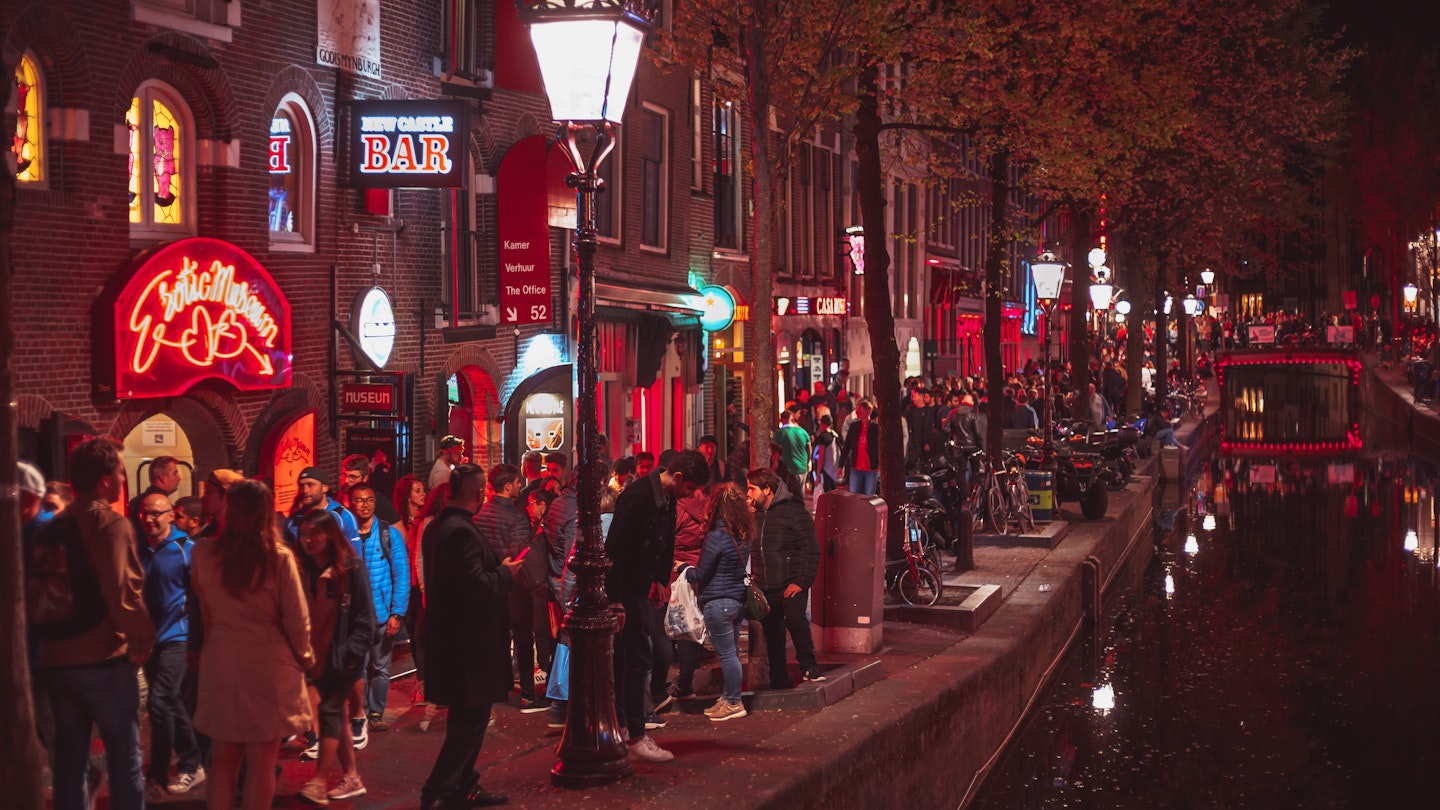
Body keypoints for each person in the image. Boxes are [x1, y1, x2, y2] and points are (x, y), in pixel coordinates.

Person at [36, 438, 155, 810]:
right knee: (124, 758)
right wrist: (142, 639)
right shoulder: (110, 525)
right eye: (120, 471)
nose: (123, 477)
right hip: (103, 657)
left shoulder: (52, 527)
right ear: (105, 480)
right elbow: (122, 590)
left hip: (57, 657)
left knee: (69, 762)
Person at [191, 479, 313, 810]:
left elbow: (205, 613)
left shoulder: (203, 554)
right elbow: (296, 619)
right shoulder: (279, 558)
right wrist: (305, 658)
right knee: (261, 763)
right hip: (269, 666)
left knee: (223, 760)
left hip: (222, 659)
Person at [420, 464, 522, 809]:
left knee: (467, 721)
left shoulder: (438, 528)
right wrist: (505, 573)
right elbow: (475, 586)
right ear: (480, 493)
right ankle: (439, 790)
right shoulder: (459, 532)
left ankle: (464, 784)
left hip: (454, 642)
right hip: (469, 646)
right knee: (469, 723)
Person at [607, 449, 709, 762]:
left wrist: (661, 582)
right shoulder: (638, 497)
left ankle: (625, 727)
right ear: (677, 478)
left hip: (642, 586)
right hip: (629, 589)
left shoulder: (666, 498)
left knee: (632, 659)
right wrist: (617, 601)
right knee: (638, 658)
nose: (691, 495)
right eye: (690, 488)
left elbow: (662, 543)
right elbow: (616, 549)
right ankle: (635, 732)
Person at [295, 511, 375, 806]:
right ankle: (352, 777)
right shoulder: (305, 571)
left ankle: (318, 782)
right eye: (304, 534)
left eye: (315, 533)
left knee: (328, 711)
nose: (309, 540)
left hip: (343, 659)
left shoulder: (351, 569)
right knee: (336, 717)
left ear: (330, 535)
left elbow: (365, 619)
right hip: (315, 659)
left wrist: (352, 655)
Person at [136, 491, 205, 800]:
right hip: (150, 640)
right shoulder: (137, 549)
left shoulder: (185, 549)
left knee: (161, 700)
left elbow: (202, 595)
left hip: (179, 636)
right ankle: (160, 772)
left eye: (157, 513)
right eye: (146, 513)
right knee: (167, 704)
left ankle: (190, 763)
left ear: (169, 516)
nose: (151, 519)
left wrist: (200, 638)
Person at [475, 463, 550, 712]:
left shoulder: (480, 514)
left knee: (494, 639)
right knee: (523, 640)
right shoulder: (516, 517)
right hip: (514, 587)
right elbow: (519, 557)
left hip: (488, 585)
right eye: (518, 482)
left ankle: (491, 689)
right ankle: (528, 695)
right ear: (507, 487)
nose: (521, 486)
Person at [682, 483, 754, 722]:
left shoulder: (716, 537)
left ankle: (734, 702)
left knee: (727, 656)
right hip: (736, 601)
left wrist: (684, 569)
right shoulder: (742, 536)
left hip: (717, 603)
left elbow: (701, 574)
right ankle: (728, 697)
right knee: (731, 652)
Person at [746, 467, 823, 687]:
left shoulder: (794, 512)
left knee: (796, 620)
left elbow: (811, 549)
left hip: (791, 584)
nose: (748, 493)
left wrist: (800, 582)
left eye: (752, 489)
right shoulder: (755, 516)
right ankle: (779, 679)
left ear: (767, 489)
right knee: (773, 635)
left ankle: (809, 667)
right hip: (764, 587)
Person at [350, 483, 410, 734]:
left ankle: (376, 711)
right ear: (351, 504)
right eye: (360, 500)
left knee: (382, 668)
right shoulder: (345, 534)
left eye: (370, 500)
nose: (365, 505)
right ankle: (359, 712)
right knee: (358, 668)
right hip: (355, 617)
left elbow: (401, 574)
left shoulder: (388, 534)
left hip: (383, 614)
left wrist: (397, 613)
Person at [285, 467, 359, 550]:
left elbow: (355, 555)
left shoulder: (343, 516)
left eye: (310, 485)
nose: (305, 490)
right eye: (301, 486)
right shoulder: (293, 521)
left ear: (325, 487)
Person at [128, 455, 181, 532]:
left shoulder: (134, 502)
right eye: (175, 473)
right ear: (163, 478)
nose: (179, 478)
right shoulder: (163, 507)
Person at [341, 454, 400, 524]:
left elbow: (401, 533)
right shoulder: (335, 499)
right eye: (344, 475)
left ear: (365, 478)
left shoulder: (380, 501)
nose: (346, 481)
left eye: (352, 477)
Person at [839, 399, 880, 495]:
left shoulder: (875, 428)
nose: (857, 413)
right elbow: (847, 446)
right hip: (856, 468)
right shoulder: (854, 426)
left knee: (868, 496)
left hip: (871, 469)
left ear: (867, 411)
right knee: (854, 495)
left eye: (859, 411)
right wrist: (841, 465)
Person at [772, 408, 812, 484]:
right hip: (802, 466)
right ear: (792, 418)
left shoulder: (779, 433)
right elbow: (808, 447)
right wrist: (809, 461)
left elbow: (774, 449)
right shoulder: (802, 431)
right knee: (801, 492)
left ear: (781, 420)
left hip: (787, 468)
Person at [812, 414, 841, 493]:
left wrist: (817, 475)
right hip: (834, 469)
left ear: (822, 424)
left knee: (826, 493)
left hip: (826, 470)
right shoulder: (835, 435)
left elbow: (821, 456)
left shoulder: (823, 437)